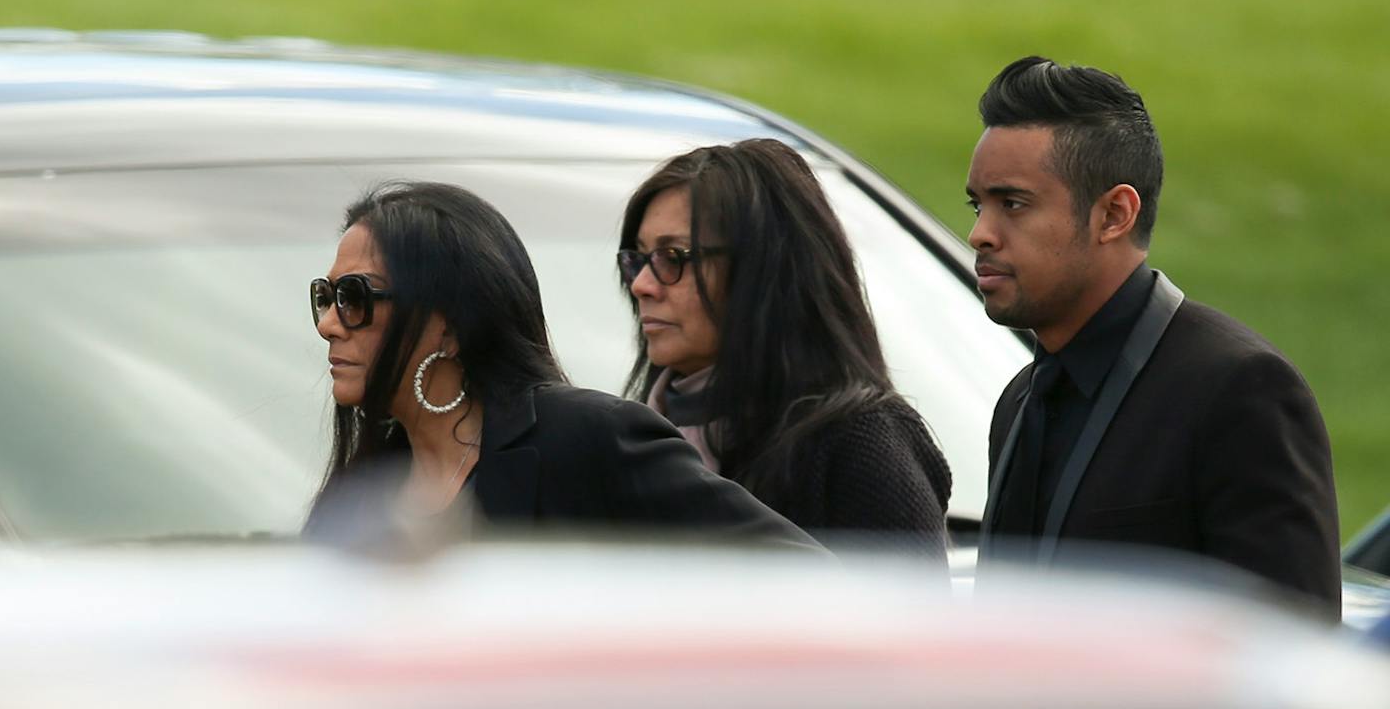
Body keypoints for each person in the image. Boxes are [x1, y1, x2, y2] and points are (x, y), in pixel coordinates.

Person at [967, 56, 1340, 617]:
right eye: (978, 205)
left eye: (1012, 204)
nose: (979, 234)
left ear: (1114, 214)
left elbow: (1292, 658)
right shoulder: (1021, 400)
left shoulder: (1239, 391)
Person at [303, 180, 817, 551]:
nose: (329, 322)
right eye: (326, 296)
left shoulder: (586, 439)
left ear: (449, 323)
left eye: (354, 297)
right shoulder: (363, 491)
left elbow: (802, 578)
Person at [616, 138, 952, 561]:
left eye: (672, 257)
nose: (641, 285)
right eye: (638, 259)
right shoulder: (622, 439)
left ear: (764, 272)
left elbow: (911, 623)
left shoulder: (859, 443)